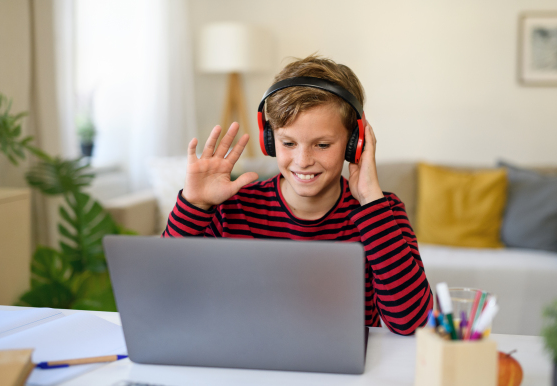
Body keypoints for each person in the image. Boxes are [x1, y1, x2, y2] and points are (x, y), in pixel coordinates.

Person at [162, 54, 433, 335]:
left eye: (323, 145)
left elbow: (411, 322)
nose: (303, 160)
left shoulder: (382, 211)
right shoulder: (232, 209)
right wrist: (194, 206)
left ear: (355, 143)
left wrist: (370, 200)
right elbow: (163, 294)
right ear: (270, 140)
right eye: (288, 142)